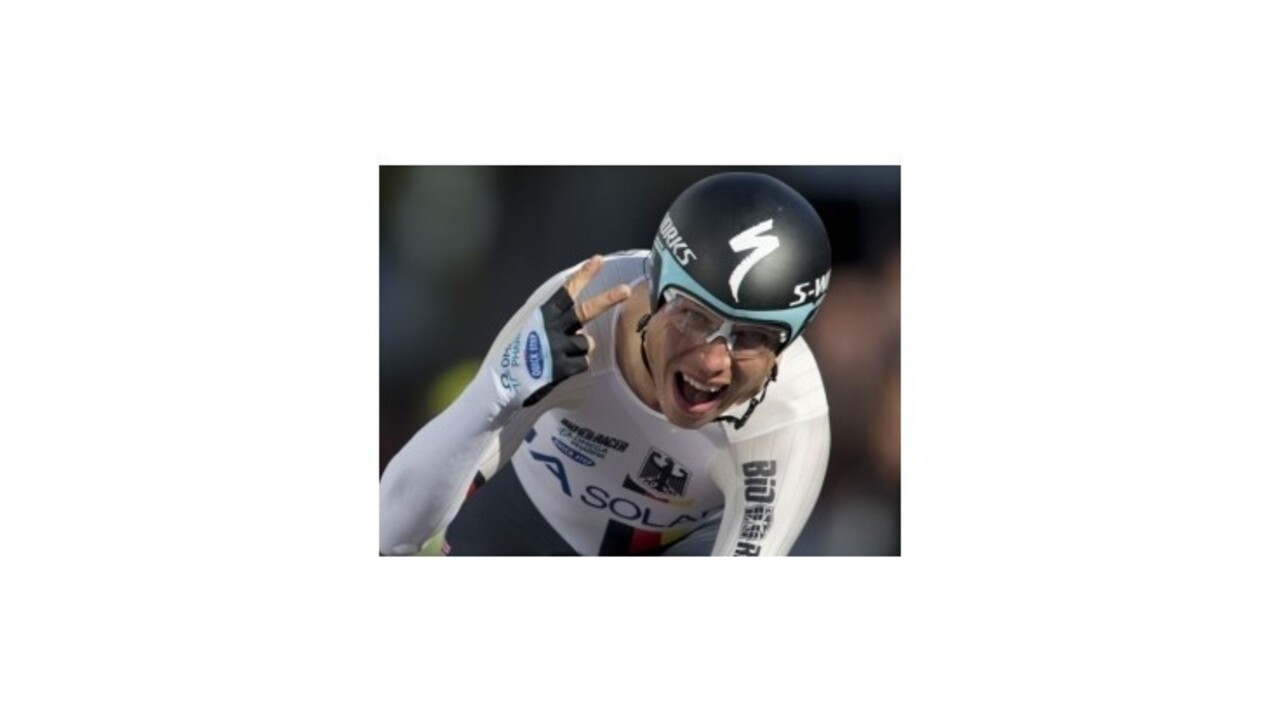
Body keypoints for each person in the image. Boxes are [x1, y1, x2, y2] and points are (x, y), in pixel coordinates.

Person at [380, 172, 833, 556]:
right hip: (525, 520)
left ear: (785, 346)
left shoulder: (790, 414)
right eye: (694, 316)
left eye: (752, 337)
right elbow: (389, 532)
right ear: (654, 290)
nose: (713, 361)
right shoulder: (580, 313)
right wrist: (497, 391)